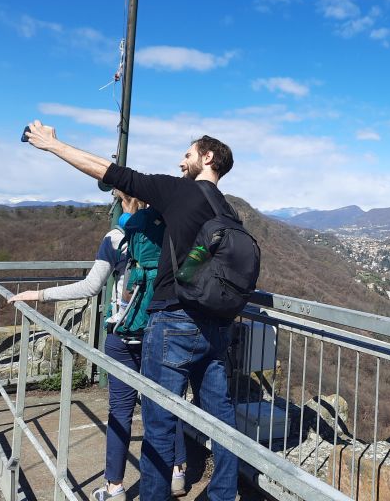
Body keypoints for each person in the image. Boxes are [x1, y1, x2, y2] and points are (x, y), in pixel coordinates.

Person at [23, 120, 239, 501]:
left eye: (187, 154)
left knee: (159, 422)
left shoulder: (180, 192)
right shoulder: (228, 210)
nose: (181, 162)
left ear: (207, 157)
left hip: (174, 321)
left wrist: (54, 145)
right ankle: (223, 494)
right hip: (216, 326)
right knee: (221, 418)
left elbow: (112, 173)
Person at [8, 189, 187, 501]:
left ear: (121, 202)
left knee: (120, 410)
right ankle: (176, 473)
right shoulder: (168, 234)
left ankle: (114, 487)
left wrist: (39, 295)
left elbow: (91, 286)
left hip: (122, 334)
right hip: (160, 332)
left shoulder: (116, 238)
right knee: (165, 403)